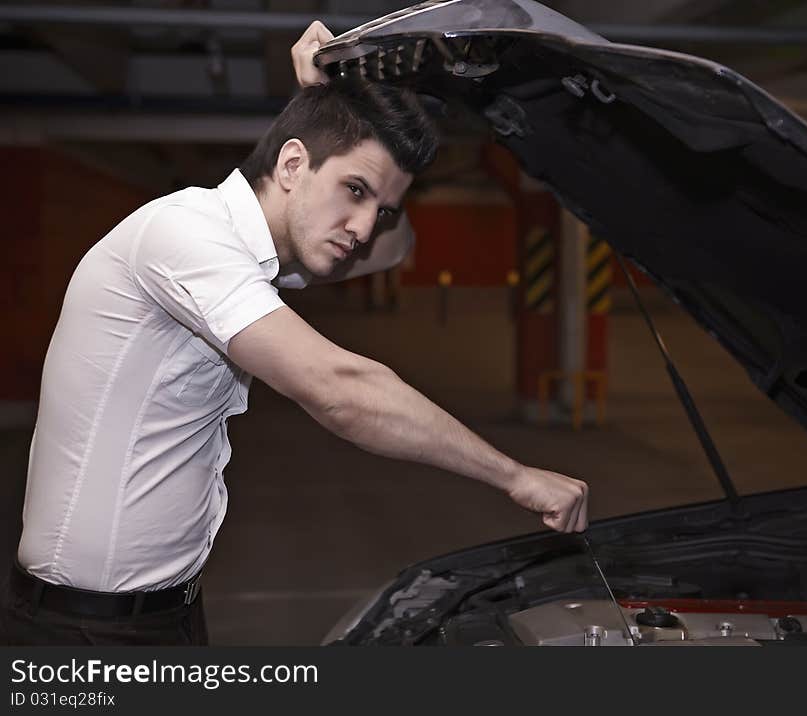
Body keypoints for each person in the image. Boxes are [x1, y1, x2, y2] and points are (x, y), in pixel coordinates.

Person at [0, 22, 588, 646]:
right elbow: (341, 391)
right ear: (291, 164)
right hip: (80, 630)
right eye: (354, 191)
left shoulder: (259, 256)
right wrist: (516, 476)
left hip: (165, 614)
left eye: (379, 208)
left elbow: (397, 247)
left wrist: (335, 121)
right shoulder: (186, 236)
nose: (363, 227)